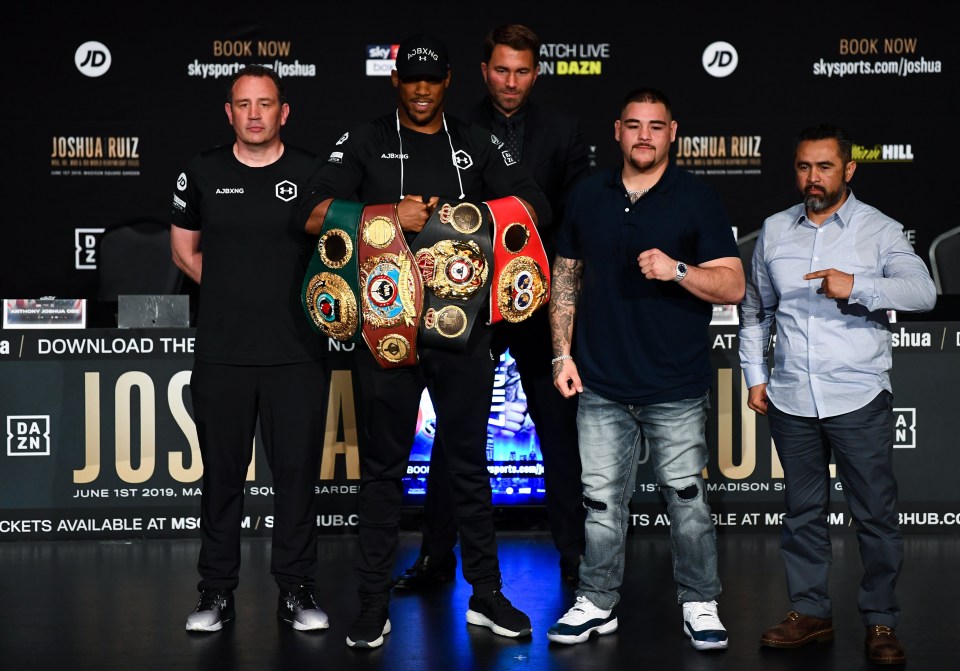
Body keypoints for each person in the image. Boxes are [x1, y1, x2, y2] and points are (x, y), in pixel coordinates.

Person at [297, 33, 551, 649]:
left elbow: (534, 204)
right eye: (410, 78)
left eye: (431, 80)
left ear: (448, 84)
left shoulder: (472, 140)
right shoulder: (366, 139)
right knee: (382, 471)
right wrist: (388, 217)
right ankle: (372, 604)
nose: (420, 89)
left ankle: (486, 596)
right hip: (384, 332)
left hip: (460, 331)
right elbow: (308, 213)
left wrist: (454, 223)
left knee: (468, 465)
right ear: (395, 81)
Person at [394, 23, 589, 591]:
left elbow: (568, 217)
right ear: (482, 72)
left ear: (536, 72)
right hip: (465, 299)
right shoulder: (453, 127)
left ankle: (575, 558)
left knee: (557, 428)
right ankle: (435, 557)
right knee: (456, 431)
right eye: (501, 70)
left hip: (536, 299)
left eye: (522, 70)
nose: (511, 81)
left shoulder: (564, 131)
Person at [546, 87, 743, 650]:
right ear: (617, 130)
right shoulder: (587, 195)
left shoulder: (697, 198)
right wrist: (561, 354)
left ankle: (700, 601)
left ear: (672, 132)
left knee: (687, 505)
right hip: (601, 383)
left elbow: (731, 283)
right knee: (601, 506)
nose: (644, 136)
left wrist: (677, 268)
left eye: (655, 126)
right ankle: (597, 601)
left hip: (675, 385)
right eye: (633, 125)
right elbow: (565, 280)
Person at [738, 123, 936, 666]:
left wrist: (859, 286)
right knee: (802, 513)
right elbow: (755, 309)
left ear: (849, 170)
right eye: (804, 167)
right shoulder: (775, 231)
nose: (813, 178)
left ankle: (880, 620)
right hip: (791, 399)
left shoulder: (879, 230)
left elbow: (923, 291)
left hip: (857, 396)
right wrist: (755, 376)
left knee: (874, 515)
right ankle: (810, 613)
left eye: (825, 167)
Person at [171, 65, 330, 633]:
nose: (255, 114)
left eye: (266, 104)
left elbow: (337, 255)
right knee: (221, 479)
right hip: (223, 354)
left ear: (284, 112)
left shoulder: (314, 171)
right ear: (229, 112)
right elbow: (184, 252)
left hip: (298, 354)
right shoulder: (203, 170)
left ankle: (297, 590)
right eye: (244, 104)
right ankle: (215, 593)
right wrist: (236, 293)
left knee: (296, 478)